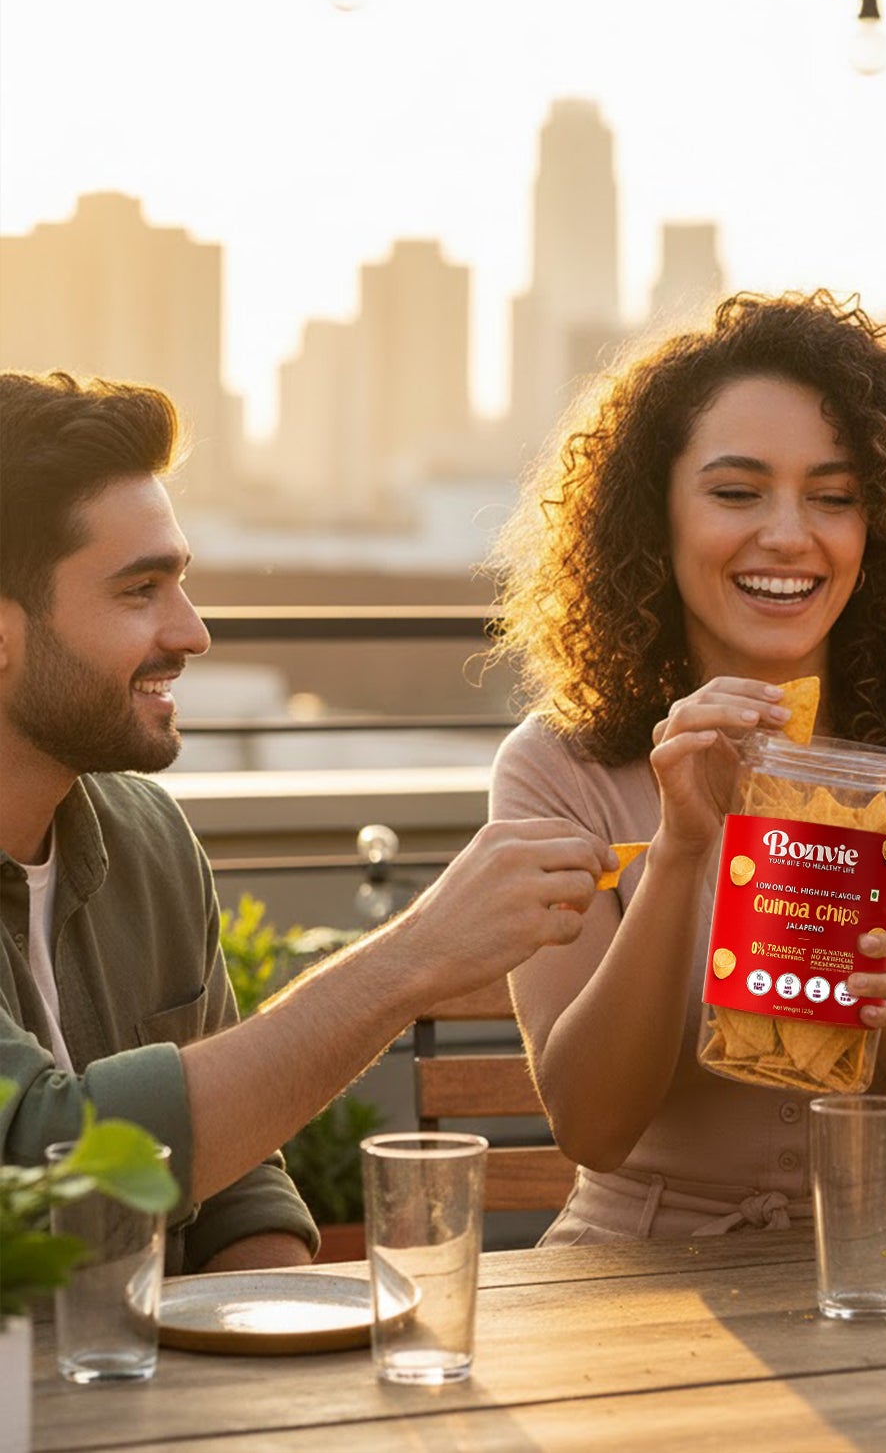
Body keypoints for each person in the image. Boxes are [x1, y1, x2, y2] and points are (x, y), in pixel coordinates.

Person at [486, 290, 886, 1242]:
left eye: (835, 498)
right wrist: (682, 846)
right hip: (640, 1274)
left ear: (882, 527)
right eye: (736, 491)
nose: (791, 535)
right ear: (654, 515)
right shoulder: (560, 765)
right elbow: (590, 1126)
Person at [0, 369, 612, 1274]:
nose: (193, 632)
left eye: (182, 583)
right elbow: (47, 1152)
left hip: (151, 1397)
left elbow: (236, 1179)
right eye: (140, 592)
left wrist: (278, 1368)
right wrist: (415, 959)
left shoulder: (148, 841)